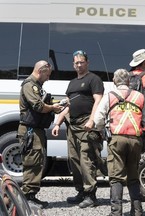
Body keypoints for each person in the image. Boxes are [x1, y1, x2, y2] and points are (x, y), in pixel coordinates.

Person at [51, 50, 104, 208]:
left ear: (87, 62)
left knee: (86, 160)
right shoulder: (72, 82)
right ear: (73, 64)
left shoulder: (94, 79)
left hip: (86, 126)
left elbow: (98, 100)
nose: (79, 64)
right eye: (76, 62)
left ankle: (91, 195)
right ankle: (80, 192)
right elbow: (68, 105)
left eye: (81, 62)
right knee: (74, 161)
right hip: (72, 127)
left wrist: (92, 120)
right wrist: (57, 123)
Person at [94, 69, 145, 216]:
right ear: (128, 81)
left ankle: (116, 212)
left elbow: (98, 119)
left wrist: (101, 129)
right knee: (133, 176)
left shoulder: (109, 96)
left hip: (117, 140)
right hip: (135, 140)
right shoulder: (139, 96)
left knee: (116, 177)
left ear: (114, 81)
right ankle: (137, 211)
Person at [18, 60, 63, 208]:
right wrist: (52, 107)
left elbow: (43, 105)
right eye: (47, 75)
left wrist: (55, 106)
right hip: (30, 130)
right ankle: (27, 197)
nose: (48, 78)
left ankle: (31, 195)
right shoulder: (29, 85)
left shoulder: (37, 86)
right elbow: (38, 106)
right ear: (41, 71)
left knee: (37, 162)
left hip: (37, 130)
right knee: (32, 163)